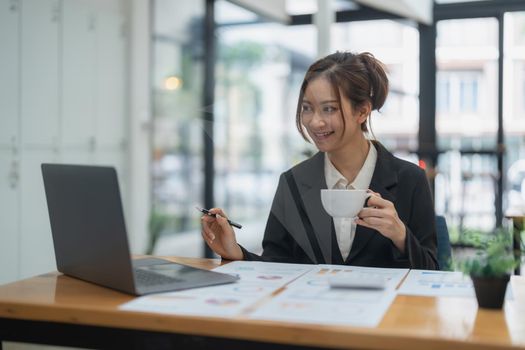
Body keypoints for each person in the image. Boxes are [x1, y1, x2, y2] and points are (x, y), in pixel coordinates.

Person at [201, 51, 438, 269]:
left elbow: (433, 272)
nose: (315, 122)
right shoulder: (293, 183)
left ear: (362, 111)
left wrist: (400, 235)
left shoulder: (409, 180)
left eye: (329, 109)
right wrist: (236, 252)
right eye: (307, 108)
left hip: (389, 315)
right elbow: (276, 267)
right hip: (313, 313)